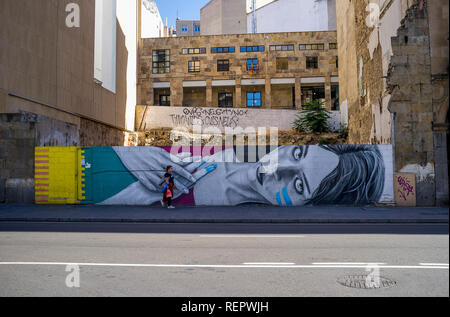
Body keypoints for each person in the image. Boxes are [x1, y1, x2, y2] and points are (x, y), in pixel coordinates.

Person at [100, 145, 388, 206]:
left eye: (299, 184)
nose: (280, 168)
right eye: (298, 153)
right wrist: (126, 155)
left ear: (307, 204)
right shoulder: (221, 151)